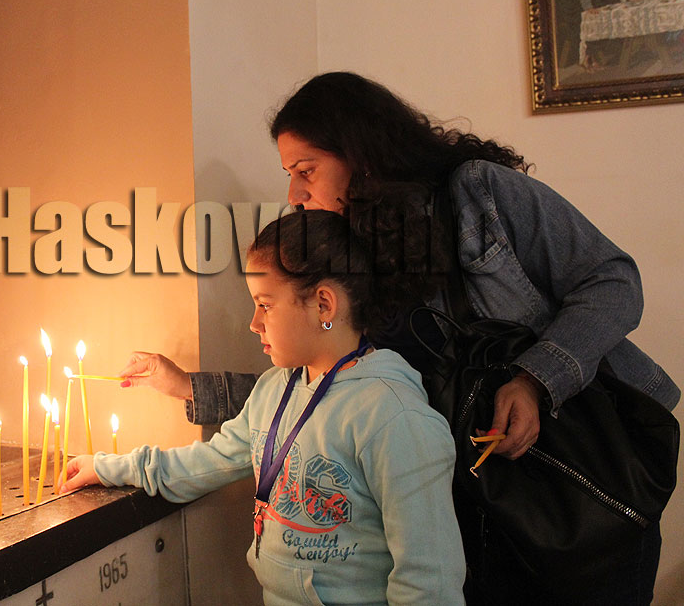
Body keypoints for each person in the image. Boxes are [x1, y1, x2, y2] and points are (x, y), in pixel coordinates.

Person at [117, 72, 680, 603]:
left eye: (306, 170)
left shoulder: (479, 193)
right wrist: (188, 386)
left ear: (361, 157)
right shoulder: (359, 254)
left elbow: (614, 282)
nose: (294, 193)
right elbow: (329, 393)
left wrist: (536, 379)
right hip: (487, 510)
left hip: (585, 485)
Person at [65, 210, 465, 605]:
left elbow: (428, 582)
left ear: (323, 305)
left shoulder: (394, 416)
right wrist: (110, 468)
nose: (254, 323)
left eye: (266, 305)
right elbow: (209, 461)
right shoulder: (275, 389)